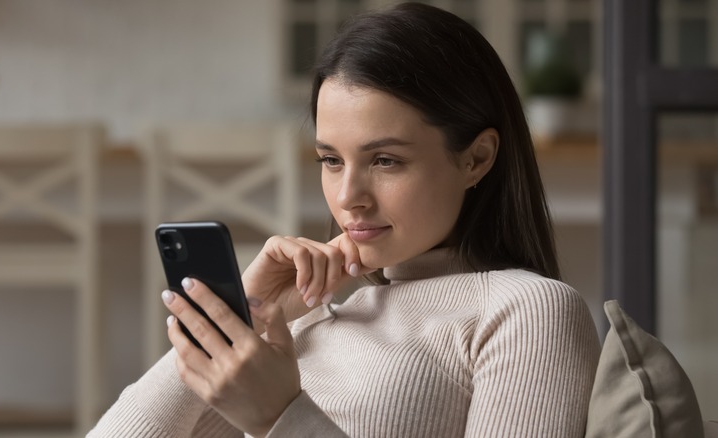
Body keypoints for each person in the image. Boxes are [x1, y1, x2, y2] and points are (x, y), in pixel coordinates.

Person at [90, 3, 600, 437]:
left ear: (476, 158)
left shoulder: (527, 311)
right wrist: (238, 315)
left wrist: (279, 415)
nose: (348, 197)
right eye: (331, 161)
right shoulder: (306, 320)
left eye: (385, 161)